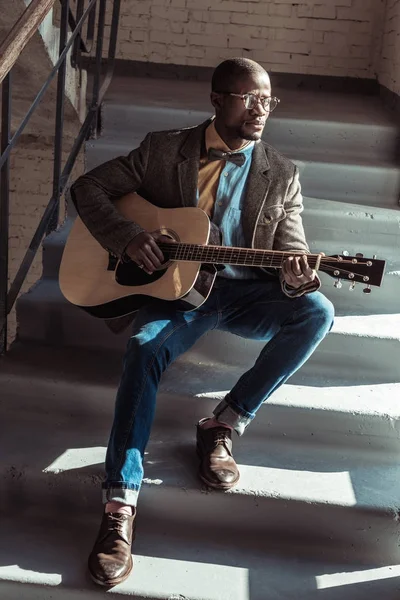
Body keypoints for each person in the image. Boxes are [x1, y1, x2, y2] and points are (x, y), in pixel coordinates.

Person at [71, 57, 334, 587]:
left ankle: (225, 422)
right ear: (217, 99)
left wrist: (300, 275)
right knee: (144, 350)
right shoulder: (163, 150)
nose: (261, 109)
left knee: (317, 311)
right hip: (179, 292)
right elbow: (88, 190)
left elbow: (293, 250)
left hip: (245, 293)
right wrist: (128, 237)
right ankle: (120, 505)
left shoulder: (282, 174)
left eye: (268, 100)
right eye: (249, 98)